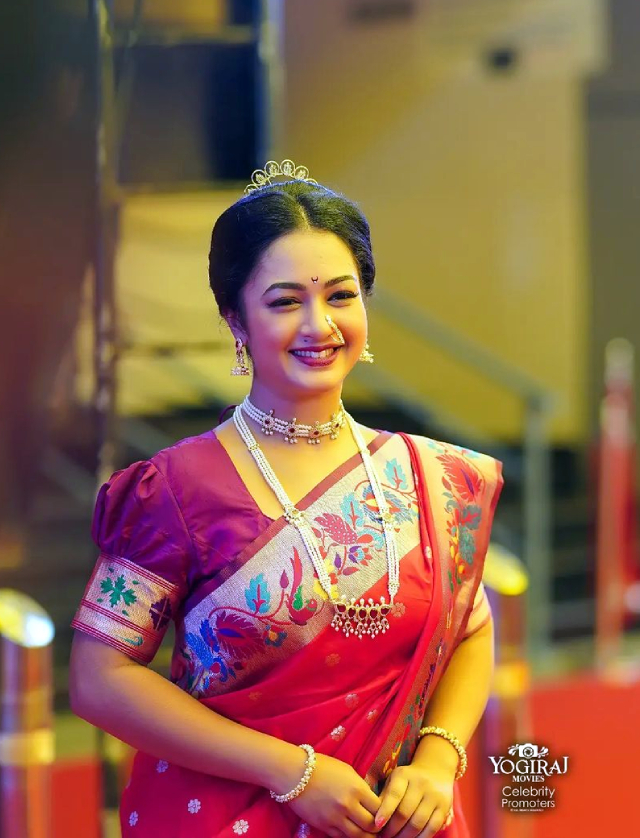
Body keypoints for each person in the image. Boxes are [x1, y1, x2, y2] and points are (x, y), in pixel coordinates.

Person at [69, 161, 503, 838]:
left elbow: (471, 627)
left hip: (396, 822)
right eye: (283, 301)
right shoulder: (176, 490)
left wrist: (438, 760)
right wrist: (291, 771)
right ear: (233, 317)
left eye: (339, 295)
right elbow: (99, 678)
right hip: (227, 815)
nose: (318, 324)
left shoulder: (426, 477)